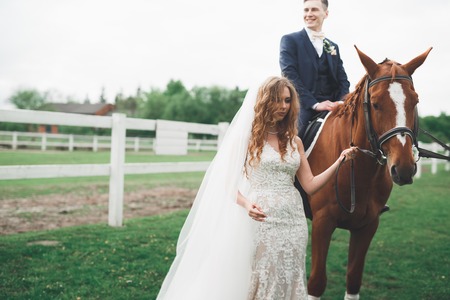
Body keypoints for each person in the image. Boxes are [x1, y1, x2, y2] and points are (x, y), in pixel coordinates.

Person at [156, 76, 356, 300]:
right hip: (261, 217)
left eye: (287, 100)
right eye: (277, 100)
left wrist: (338, 163)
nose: (283, 106)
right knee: (262, 275)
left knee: (290, 272)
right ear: (264, 102)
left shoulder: (295, 141)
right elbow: (227, 183)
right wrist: (246, 203)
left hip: (293, 219)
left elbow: (309, 185)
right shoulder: (246, 139)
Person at [279, 0, 350, 138]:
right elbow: (289, 75)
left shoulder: (333, 46)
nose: (309, 14)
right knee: (293, 141)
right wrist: (315, 104)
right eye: (306, 10)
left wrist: (341, 102)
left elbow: (343, 80)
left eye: (314, 10)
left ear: (326, 14)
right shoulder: (290, 40)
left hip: (334, 106)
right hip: (304, 106)